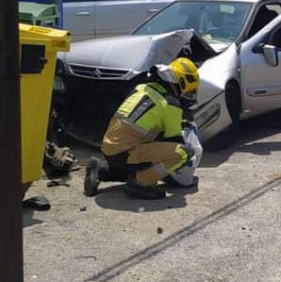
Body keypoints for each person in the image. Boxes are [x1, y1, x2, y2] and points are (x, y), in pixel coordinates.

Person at [84, 58, 201, 200]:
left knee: (139, 163)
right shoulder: (171, 103)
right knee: (183, 153)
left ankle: (101, 169)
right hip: (127, 152)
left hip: (109, 148)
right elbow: (175, 141)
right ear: (183, 82)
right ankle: (141, 184)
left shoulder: (142, 88)